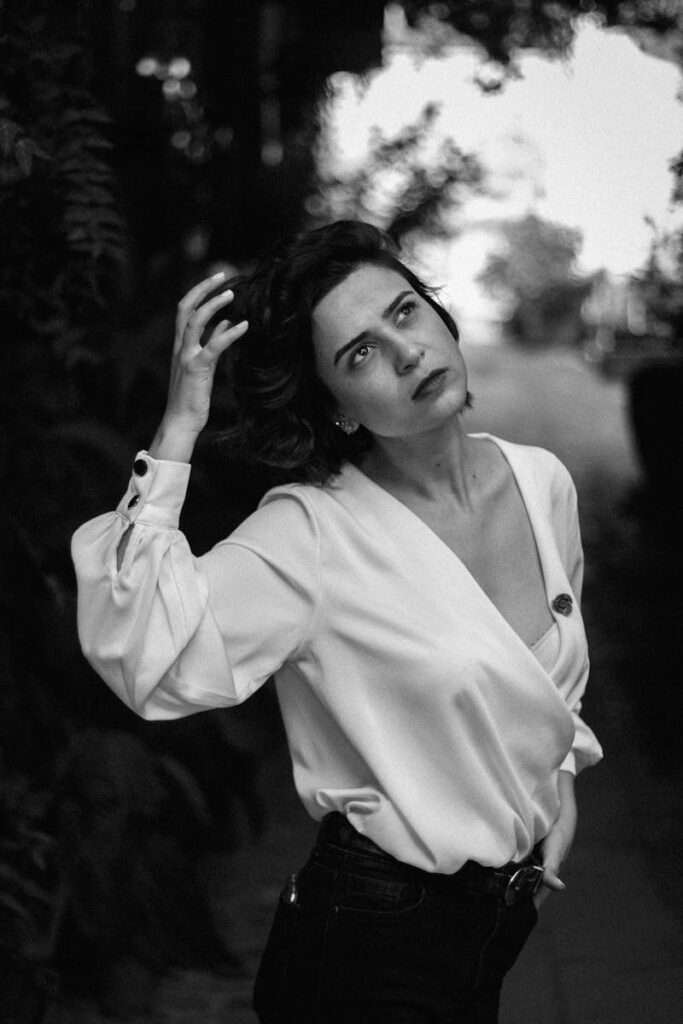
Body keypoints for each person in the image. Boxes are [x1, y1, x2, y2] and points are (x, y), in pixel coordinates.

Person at [72, 220, 603, 1023]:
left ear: (438, 316)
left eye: (403, 313)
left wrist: (556, 776)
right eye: (358, 354)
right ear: (339, 409)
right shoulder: (312, 533)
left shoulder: (542, 483)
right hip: (370, 945)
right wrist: (177, 430)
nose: (403, 352)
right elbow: (144, 647)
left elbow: (546, 681)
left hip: (494, 928)